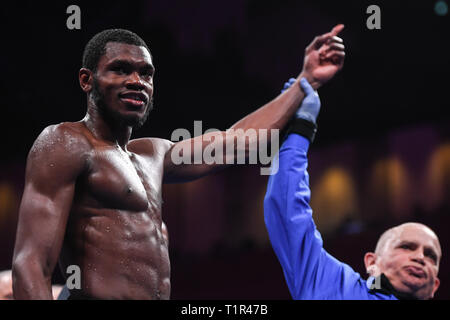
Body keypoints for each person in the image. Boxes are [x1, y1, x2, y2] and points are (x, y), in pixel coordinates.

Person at [12, 25, 345, 300]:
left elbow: (236, 142)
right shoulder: (65, 142)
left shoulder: (152, 154)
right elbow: (31, 264)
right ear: (87, 80)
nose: (136, 81)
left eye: (146, 73)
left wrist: (307, 80)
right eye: (120, 69)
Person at [263, 78, 442, 300]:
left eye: (431, 256)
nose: (420, 258)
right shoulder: (339, 289)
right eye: (406, 247)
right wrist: (301, 126)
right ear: (372, 263)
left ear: (435, 285)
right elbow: (286, 210)